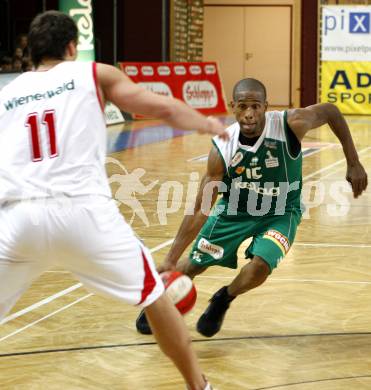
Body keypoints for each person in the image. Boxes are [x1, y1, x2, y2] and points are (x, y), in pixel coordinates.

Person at [0, 11, 228, 390]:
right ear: (73, 47)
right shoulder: (94, 73)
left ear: (32, 52)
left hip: (18, 218)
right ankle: (198, 386)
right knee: (155, 295)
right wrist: (208, 124)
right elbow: (164, 108)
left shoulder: (6, 95)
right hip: (82, 212)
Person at [136, 77, 368, 337]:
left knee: (260, 266)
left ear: (266, 106)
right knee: (193, 265)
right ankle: (158, 303)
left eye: (256, 106)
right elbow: (202, 208)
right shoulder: (223, 147)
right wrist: (169, 259)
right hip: (235, 210)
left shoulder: (290, 124)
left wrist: (353, 161)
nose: (249, 114)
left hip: (281, 211)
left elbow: (331, 111)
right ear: (232, 106)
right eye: (243, 106)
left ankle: (224, 298)